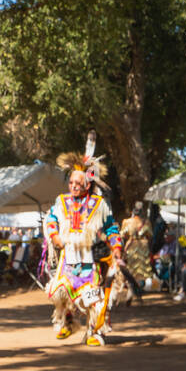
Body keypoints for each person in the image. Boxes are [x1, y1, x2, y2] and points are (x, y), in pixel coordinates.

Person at [45, 132, 123, 345]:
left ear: (87, 184)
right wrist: (54, 236)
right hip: (68, 257)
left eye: (78, 184)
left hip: (90, 258)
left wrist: (116, 247)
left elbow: (111, 228)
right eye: (71, 183)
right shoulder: (61, 202)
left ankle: (93, 331)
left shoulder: (99, 205)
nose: (73, 187)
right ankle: (67, 322)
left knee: (91, 297)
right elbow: (50, 220)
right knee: (61, 293)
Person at [119, 206, 153, 305]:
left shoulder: (127, 222)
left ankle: (131, 292)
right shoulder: (146, 222)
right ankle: (137, 294)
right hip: (143, 247)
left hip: (131, 246)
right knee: (142, 273)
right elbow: (150, 235)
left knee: (131, 271)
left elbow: (123, 234)